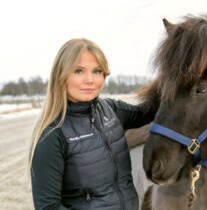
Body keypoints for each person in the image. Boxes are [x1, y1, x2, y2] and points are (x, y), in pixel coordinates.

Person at [29, 38, 156, 210]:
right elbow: (48, 207)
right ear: (61, 74)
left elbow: (151, 110)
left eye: (97, 71)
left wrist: (179, 77)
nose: (90, 79)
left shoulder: (112, 110)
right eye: (79, 71)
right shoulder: (52, 135)